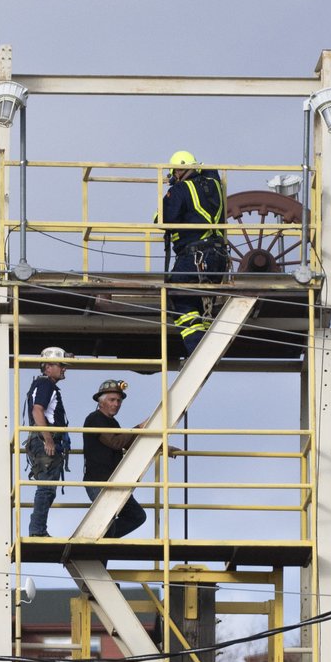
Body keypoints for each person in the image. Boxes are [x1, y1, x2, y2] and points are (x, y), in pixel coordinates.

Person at [159, 151, 229, 357]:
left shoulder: (181, 189)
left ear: (179, 170)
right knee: (199, 302)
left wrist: (169, 195)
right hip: (218, 258)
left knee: (176, 295)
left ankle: (198, 348)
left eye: (174, 172)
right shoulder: (215, 185)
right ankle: (206, 337)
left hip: (195, 256)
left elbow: (164, 219)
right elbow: (212, 173)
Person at [81, 379, 148, 538]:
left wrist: (163, 448)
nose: (116, 404)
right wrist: (139, 428)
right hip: (99, 483)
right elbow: (116, 442)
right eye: (112, 400)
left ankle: (101, 540)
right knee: (107, 523)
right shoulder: (95, 419)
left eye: (119, 400)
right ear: (101, 402)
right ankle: (100, 542)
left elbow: (128, 442)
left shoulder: (112, 423)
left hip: (113, 482)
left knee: (136, 516)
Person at [24, 346, 70, 537]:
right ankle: (37, 531)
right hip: (45, 441)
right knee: (46, 487)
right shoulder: (45, 385)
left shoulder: (43, 385)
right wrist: (48, 439)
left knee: (48, 488)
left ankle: (38, 529)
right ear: (48, 367)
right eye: (61, 365)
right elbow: (37, 410)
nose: (64, 369)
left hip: (43, 441)